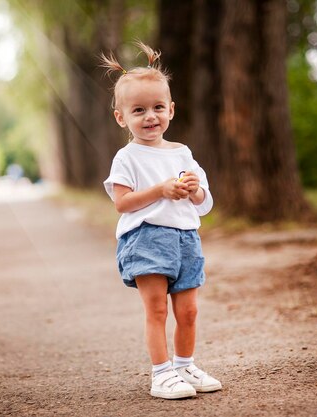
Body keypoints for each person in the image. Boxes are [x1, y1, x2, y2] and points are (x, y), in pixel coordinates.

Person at [101, 42, 222, 400]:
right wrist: (160, 190)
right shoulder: (126, 158)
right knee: (156, 309)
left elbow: (204, 204)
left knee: (189, 310)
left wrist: (195, 190)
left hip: (186, 239)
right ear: (122, 117)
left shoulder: (182, 153)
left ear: (171, 109)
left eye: (157, 107)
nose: (150, 116)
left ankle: (185, 365)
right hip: (146, 239)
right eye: (139, 110)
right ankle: (161, 374)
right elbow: (122, 203)